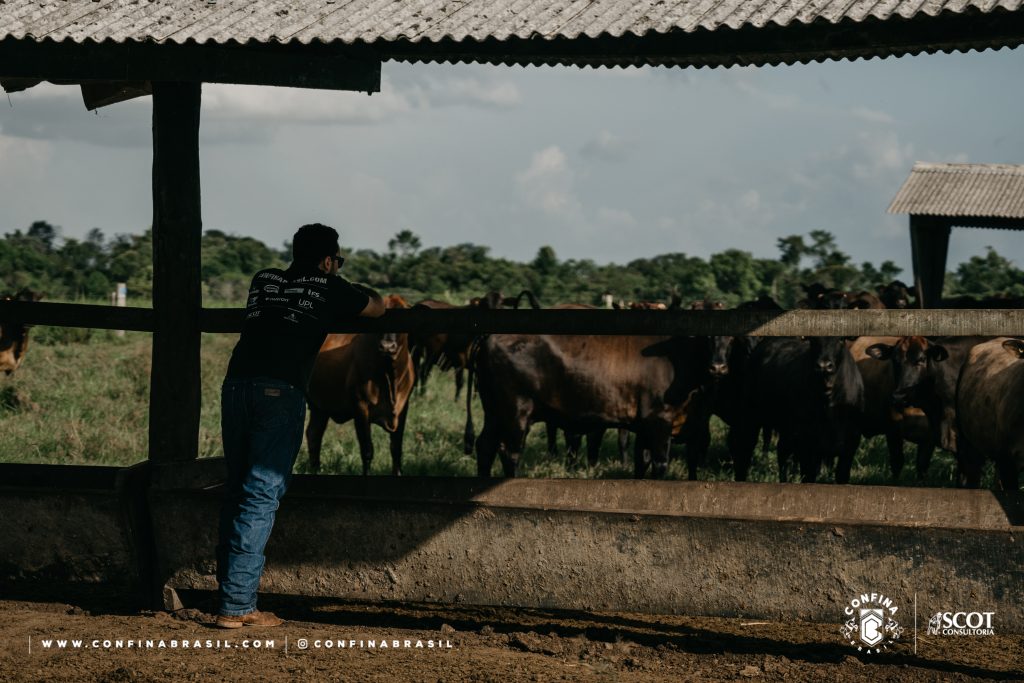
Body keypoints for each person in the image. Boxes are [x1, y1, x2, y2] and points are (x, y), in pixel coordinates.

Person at [215, 223, 384, 629]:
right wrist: (341, 279)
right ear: (329, 260)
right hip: (281, 390)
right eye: (336, 260)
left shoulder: (264, 279)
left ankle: (228, 595)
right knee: (261, 493)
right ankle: (237, 606)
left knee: (236, 487)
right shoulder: (330, 286)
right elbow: (377, 307)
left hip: (236, 386)